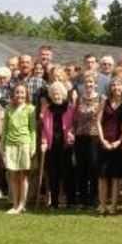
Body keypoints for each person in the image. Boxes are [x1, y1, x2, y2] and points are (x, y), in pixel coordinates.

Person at [0, 84, 36, 214]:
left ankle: (22, 204)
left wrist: (33, 147)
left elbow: (33, 130)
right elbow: (4, 129)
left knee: (23, 176)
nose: (19, 95)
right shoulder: (8, 109)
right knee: (13, 176)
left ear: (26, 94)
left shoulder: (30, 109)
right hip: (10, 145)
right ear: (13, 94)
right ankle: (15, 204)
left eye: (22, 93)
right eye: (17, 92)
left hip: (24, 144)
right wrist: (2, 145)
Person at [40, 81, 75, 210]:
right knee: (53, 175)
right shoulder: (47, 110)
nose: (56, 96)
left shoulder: (70, 108)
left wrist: (72, 133)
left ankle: (69, 201)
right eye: (54, 94)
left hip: (67, 145)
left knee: (67, 174)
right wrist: (43, 141)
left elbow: (74, 124)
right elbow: (44, 128)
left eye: (59, 93)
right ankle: (54, 202)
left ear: (63, 94)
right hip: (52, 146)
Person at [96, 77, 122, 215]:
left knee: (116, 176)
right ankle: (102, 205)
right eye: (113, 85)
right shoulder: (105, 101)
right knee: (102, 176)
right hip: (104, 142)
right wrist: (102, 140)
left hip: (118, 143)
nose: (116, 87)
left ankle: (113, 206)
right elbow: (98, 121)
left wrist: (119, 141)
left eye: (119, 85)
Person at [73, 72, 101, 208]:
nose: (89, 85)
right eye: (86, 82)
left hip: (94, 137)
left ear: (96, 84)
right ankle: (82, 199)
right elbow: (74, 118)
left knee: (94, 167)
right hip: (80, 137)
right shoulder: (78, 99)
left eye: (91, 82)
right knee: (81, 168)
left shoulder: (101, 99)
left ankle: (94, 198)